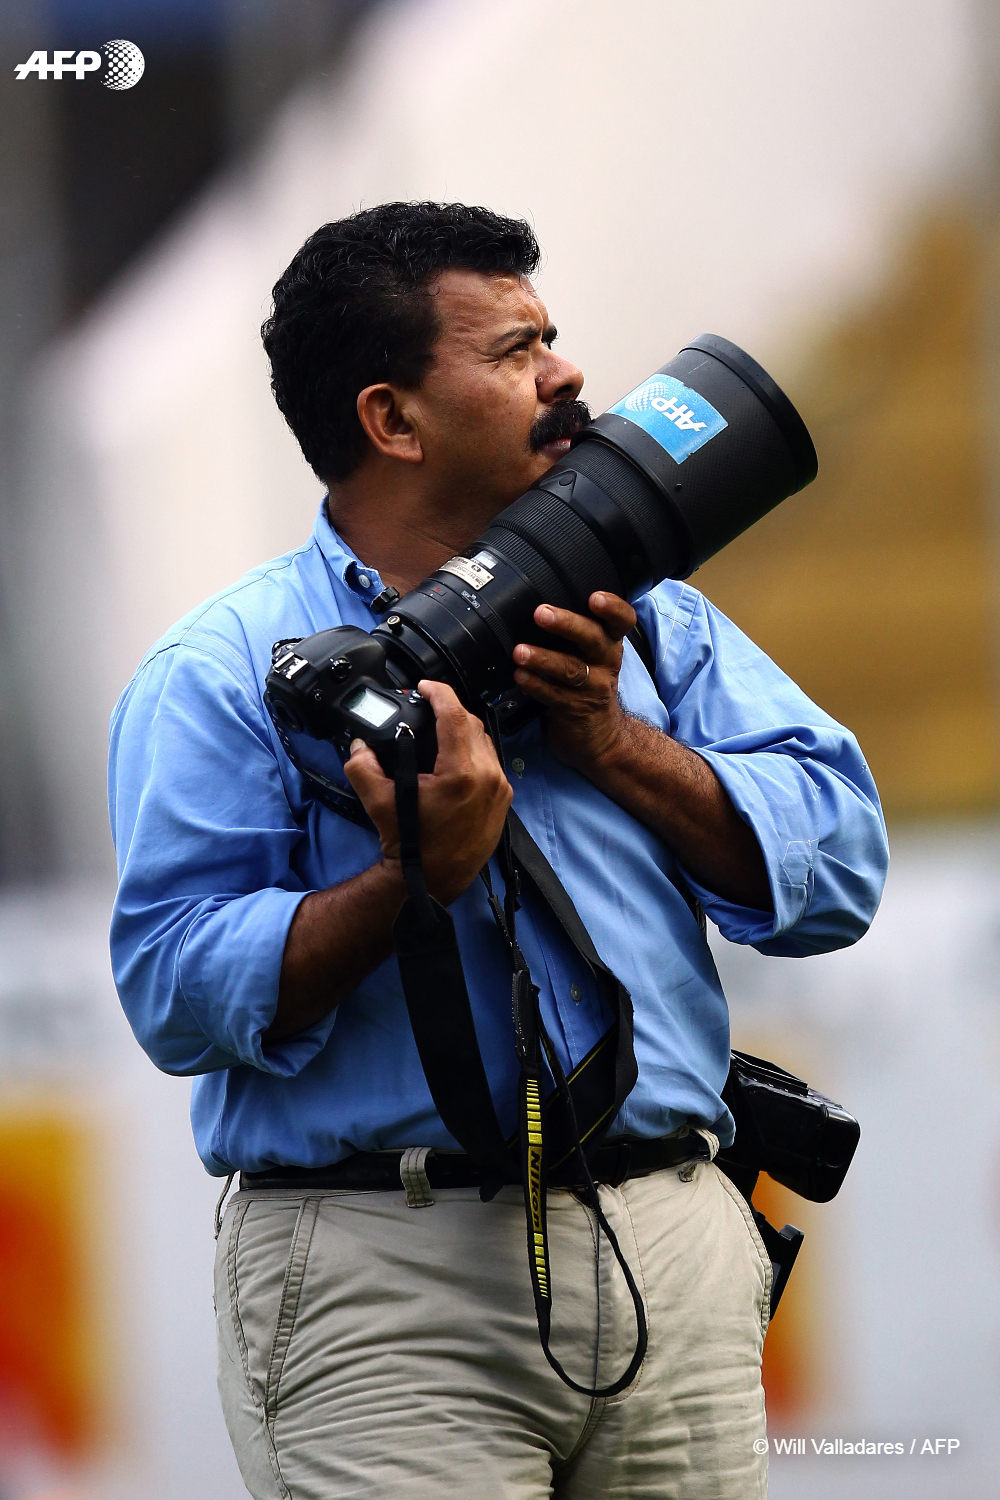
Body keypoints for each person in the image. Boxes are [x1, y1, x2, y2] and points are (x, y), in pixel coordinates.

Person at [108, 201, 888, 1500]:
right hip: (386, 1274)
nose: (567, 375)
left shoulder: (652, 620)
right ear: (393, 419)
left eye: (552, 337)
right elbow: (175, 990)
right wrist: (406, 882)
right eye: (516, 350)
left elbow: (842, 864)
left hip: (670, 1236)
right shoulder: (224, 667)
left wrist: (615, 743)